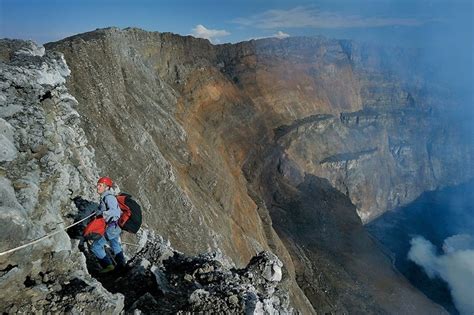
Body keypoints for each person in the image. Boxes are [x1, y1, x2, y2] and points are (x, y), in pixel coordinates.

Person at [91, 176, 126, 273]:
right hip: (115, 226)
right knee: (115, 244)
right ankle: (122, 265)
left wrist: (102, 214)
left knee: (95, 247)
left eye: (100, 185)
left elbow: (114, 212)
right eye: (97, 185)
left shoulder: (108, 197)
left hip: (112, 227)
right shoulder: (106, 197)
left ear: (106, 187)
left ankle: (108, 265)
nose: (98, 187)